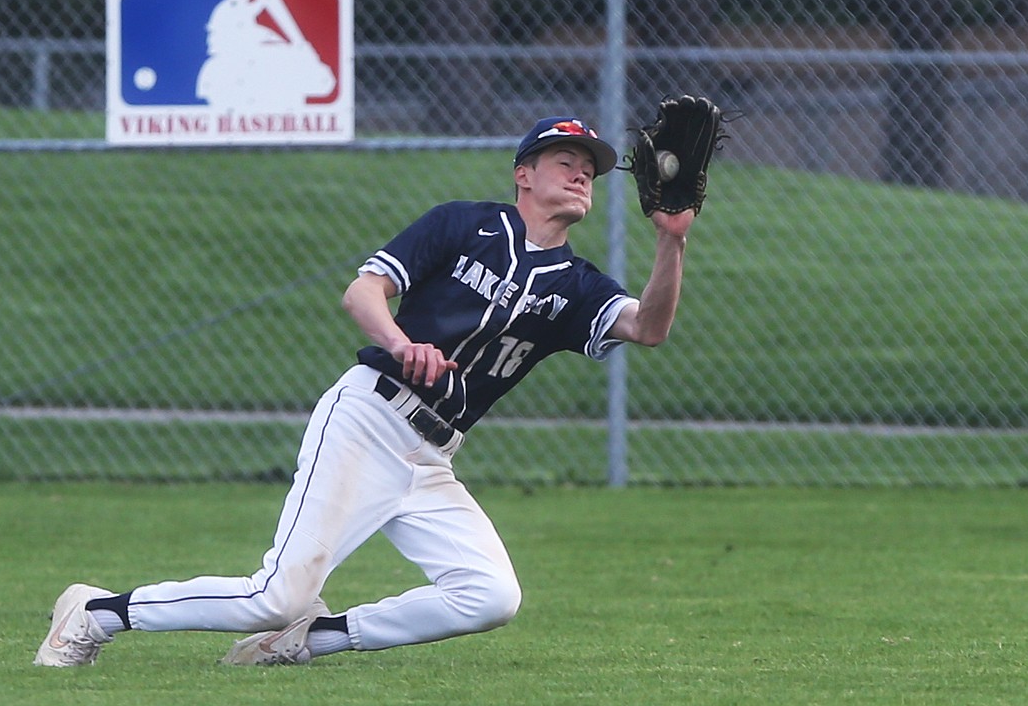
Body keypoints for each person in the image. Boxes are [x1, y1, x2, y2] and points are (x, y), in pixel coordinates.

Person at [34, 115, 697, 668]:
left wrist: (673, 242)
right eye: (564, 158)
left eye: (590, 164)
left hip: (431, 459)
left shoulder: (575, 282)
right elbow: (364, 291)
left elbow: (651, 327)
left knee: (490, 596)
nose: (582, 171)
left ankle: (308, 641)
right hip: (368, 418)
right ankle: (97, 612)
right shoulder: (463, 226)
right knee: (276, 593)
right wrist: (401, 340)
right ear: (523, 173)